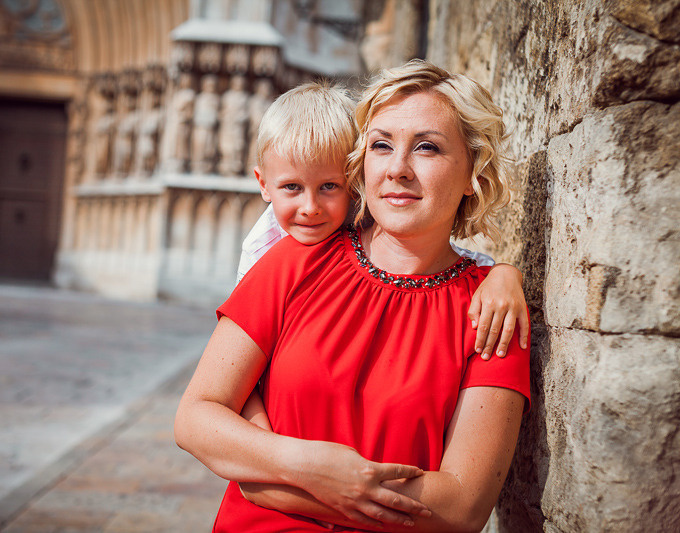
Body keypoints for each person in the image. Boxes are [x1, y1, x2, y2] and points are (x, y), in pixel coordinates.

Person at [175, 60, 531, 532]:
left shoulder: (493, 311)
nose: (397, 169)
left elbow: (462, 506)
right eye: (381, 145)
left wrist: (277, 483)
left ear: (473, 173)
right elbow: (196, 418)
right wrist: (309, 467)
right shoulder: (295, 261)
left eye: (427, 147)